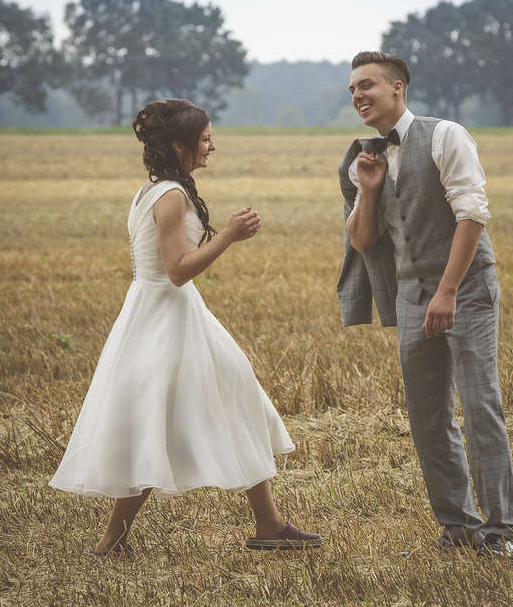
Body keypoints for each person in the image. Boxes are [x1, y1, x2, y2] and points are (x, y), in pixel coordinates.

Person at [50, 99, 321, 556]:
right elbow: (176, 270)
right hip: (166, 315)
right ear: (180, 144)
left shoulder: (154, 189)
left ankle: (268, 524)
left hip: (164, 311)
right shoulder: (171, 196)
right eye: (205, 139)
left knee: (235, 396)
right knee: (159, 421)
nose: (212, 146)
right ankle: (109, 542)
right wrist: (231, 235)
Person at [337, 52, 513, 557]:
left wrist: (448, 292)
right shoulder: (363, 158)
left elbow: (472, 215)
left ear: (398, 88)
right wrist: (368, 191)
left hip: (466, 292)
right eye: (351, 89)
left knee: (481, 406)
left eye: (366, 85)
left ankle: (500, 531)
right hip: (413, 295)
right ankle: (458, 527)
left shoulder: (445, 135)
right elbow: (361, 239)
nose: (357, 96)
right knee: (427, 415)